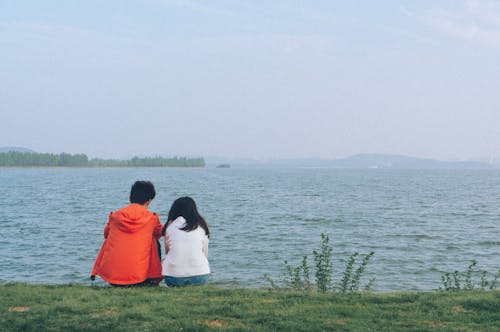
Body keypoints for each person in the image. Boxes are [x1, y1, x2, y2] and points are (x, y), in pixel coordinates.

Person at [91, 181, 163, 286]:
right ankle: (151, 279)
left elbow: (106, 234)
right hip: (140, 277)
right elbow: (159, 233)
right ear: (149, 201)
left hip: (114, 278)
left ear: (130, 198)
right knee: (154, 240)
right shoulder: (151, 218)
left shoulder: (115, 216)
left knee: (111, 238)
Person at [162, 197, 210, 286]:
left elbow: (168, 252)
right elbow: (205, 252)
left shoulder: (169, 227)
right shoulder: (202, 226)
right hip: (200, 276)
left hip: (174, 278)